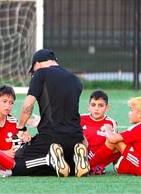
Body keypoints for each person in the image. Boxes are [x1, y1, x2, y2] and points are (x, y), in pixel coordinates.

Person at [12, 49, 90, 178]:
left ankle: (50, 159)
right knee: (69, 167)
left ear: (37, 64)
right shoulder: (75, 79)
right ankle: (76, 160)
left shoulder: (41, 74)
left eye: (33, 70)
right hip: (76, 139)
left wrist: (21, 128)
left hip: (50, 139)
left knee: (16, 165)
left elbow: (28, 105)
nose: (33, 73)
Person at [89, 96, 141, 176]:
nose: (129, 113)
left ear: (140, 114)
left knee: (116, 142)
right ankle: (97, 165)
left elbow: (112, 139)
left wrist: (107, 128)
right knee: (122, 143)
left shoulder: (140, 127)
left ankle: (89, 165)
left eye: (131, 110)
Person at [80, 90, 118, 175]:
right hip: (83, 154)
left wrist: (115, 163)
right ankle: (82, 163)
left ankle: (112, 165)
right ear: (88, 107)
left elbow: (114, 144)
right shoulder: (81, 119)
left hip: (100, 156)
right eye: (93, 105)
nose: (96, 108)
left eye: (100, 105)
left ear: (107, 108)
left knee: (119, 142)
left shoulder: (110, 122)